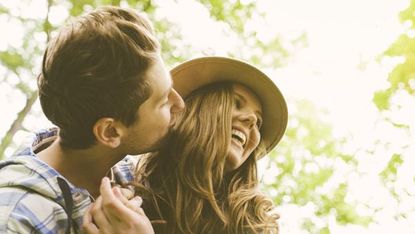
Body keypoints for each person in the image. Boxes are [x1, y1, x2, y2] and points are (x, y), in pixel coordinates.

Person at [0, 6, 184, 234]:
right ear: (110, 132)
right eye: (163, 101)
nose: (180, 104)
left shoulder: (127, 173)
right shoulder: (15, 220)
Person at [84, 57, 288, 234]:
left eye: (259, 122)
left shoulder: (255, 224)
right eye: (235, 103)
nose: (252, 120)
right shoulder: (121, 184)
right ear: (195, 113)